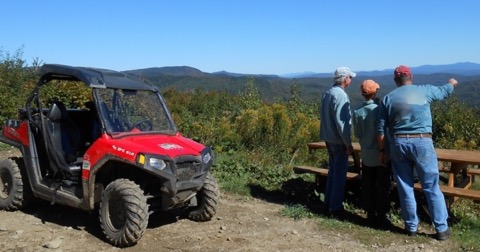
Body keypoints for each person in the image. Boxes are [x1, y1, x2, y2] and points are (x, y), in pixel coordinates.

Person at [377, 65, 458, 240]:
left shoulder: (387, 98)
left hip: (398, 142)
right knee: (431, 186)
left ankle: (411, 227)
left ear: (395, 80)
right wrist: (451, 83)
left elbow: (381, 130)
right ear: (411, 77)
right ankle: (441, 229)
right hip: (422, 141)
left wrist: (383, 151)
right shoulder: (424, 91)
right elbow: (444, 91)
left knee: (405, 186)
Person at [352, 80, 391, 228]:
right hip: (381, 155)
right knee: (382, 186)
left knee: (368, 185)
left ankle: (369, 215)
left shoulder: (357, 111)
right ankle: (381, 216)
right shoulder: (379, 110)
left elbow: (357, 134)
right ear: (375, 92)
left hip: (366, 156)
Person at [320, 66, 355, 217]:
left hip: (328, 139)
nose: (351, 80)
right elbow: (343, 124)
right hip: (338, 141)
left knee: (333, 172)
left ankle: (328, 203)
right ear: (345, 79)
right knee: (339, 174)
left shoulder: (328, 93)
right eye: (350, 77)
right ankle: (335, 208)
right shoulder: (341, 96)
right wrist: (348, 143)